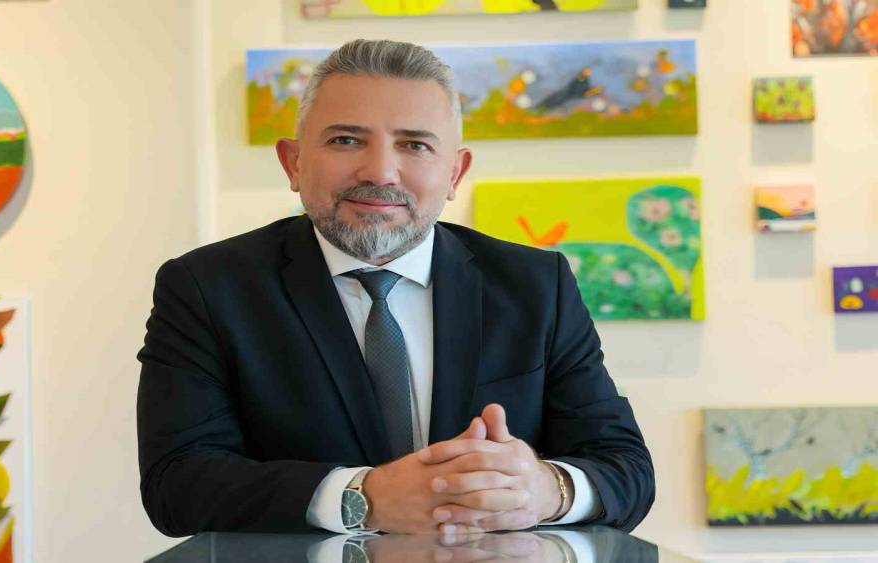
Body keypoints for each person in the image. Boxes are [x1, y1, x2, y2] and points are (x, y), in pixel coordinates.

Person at [136, 38, 654, 537]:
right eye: (346, 140)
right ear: (293, 163)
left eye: (414, 145)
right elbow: (176, 486)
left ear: (455, 172)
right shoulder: (206, 288)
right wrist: (363, 496)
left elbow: (625, 467)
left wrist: (547, 489)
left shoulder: (537, 285)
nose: (381, 171)